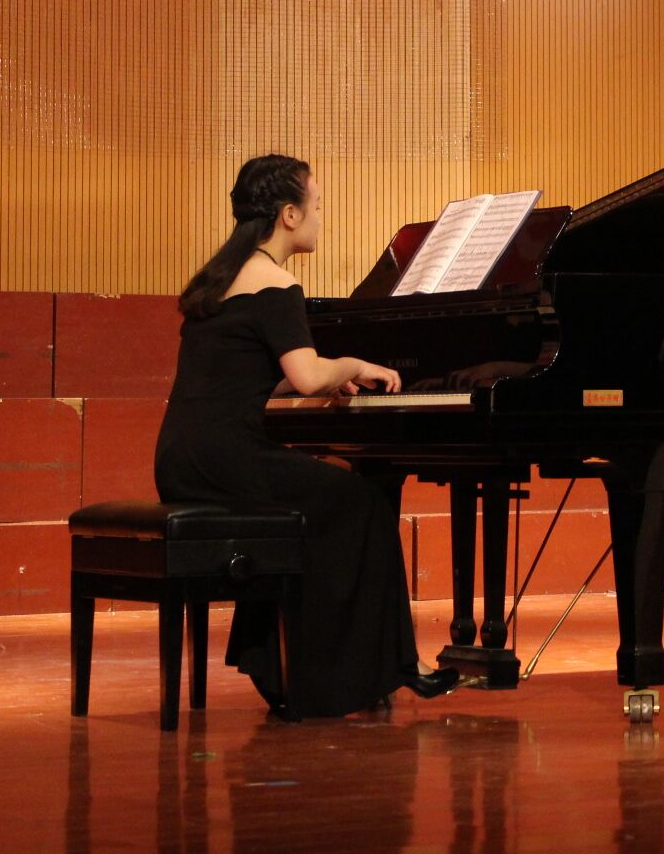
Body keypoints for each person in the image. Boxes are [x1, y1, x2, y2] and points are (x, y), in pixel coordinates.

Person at [154, 153, 458, 716]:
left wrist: (323, 378)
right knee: (361, 503)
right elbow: (308, 375)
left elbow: (237, 379)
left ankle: (277, 665)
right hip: (229, 459)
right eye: (316, 205)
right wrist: (352, 365)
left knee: (315, 506)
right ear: (289, 215)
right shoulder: (275, 284)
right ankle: (363, 671)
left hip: (183, 458)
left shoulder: (218, 280)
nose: (320, 216)